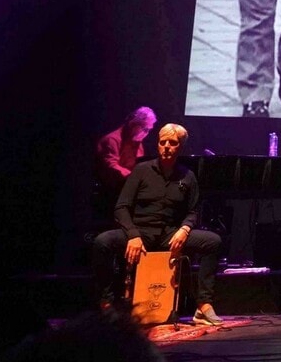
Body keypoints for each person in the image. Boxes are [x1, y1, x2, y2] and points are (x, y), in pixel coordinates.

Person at [91, 124, 224, 326]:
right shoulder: (142, 170)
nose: (167, 146)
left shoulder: (187, 176)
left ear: (181, 147)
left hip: (170, 235)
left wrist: (185, 229)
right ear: (158, 144)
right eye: (163, 142)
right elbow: (121, 207)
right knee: (102, 242)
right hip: (140, 233)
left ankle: (203, 305)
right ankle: (106, 305)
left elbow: (193, 211)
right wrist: (133, 235)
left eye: (173, 143)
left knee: (213, 241)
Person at [94, 107, 158, 220]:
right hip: (112, 191)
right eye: (145, 129)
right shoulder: (112, 140)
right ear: (133, 124)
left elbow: (139, 165)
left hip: (128, 188)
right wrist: (134, 178)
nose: (146, 133)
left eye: (149, 130)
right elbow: (111, 165)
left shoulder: (137, 142)